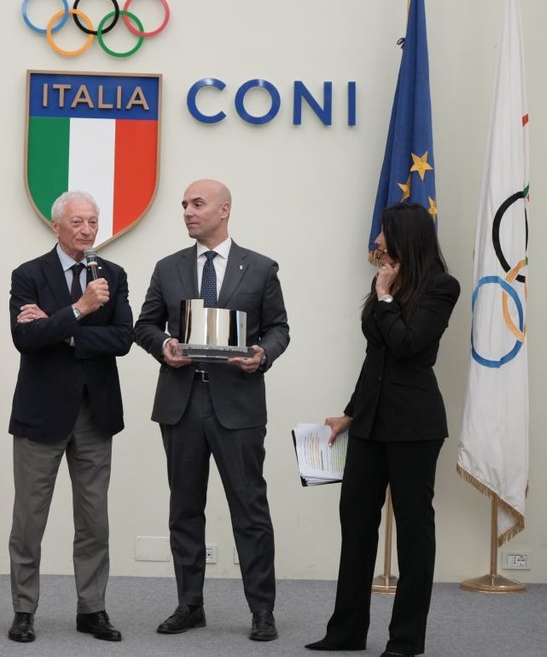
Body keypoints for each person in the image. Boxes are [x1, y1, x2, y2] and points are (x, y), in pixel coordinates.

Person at [134, 178, 290, 642]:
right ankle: (189, 606)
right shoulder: (168, 268)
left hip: (238, 405)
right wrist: (164, 345)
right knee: (184, 509)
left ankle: (262, 610)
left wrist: (263, 354)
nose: (187, 211)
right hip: (181, 405)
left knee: (250, 510)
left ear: (224, 210)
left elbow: (279, 329)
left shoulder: (260, 268)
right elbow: (144, 325)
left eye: (197, 204)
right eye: (184, 204)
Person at [305, 202, 460, 657]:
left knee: (413, 531)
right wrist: (350, 413)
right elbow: (375, 358)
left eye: (383, 233)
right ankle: (346, 632)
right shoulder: (387, 280)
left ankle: (406, 640)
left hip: (415, 425)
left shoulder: (441, 286)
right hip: (370, 425)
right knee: (356, 525)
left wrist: (386, 298)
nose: (376, 241)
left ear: (404, 235)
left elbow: (408, 345)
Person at [6, 190, 133, 644]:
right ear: (55, 225)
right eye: (77, 222)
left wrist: (62, 331)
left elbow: (123, 338)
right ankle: (24, 610)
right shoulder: (28, 274)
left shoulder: (112, 275)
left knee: (94, 520)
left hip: (96, 414)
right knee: (29, 521)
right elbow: (25, 338)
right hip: (41, 414)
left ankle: (92, 609)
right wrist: (80, 310)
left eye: (93, 221)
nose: (87, 230)